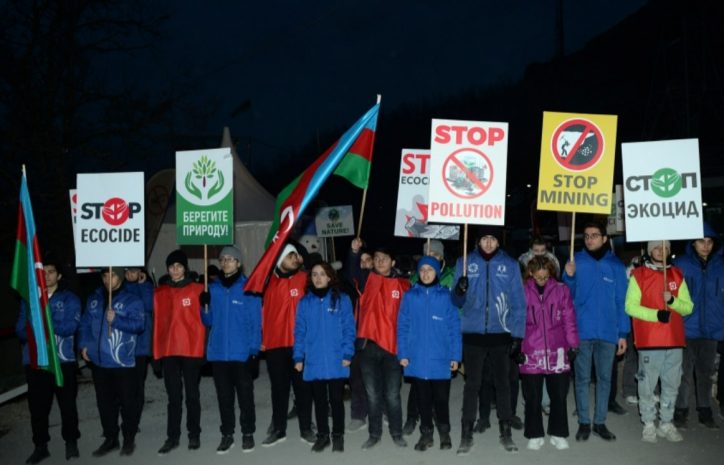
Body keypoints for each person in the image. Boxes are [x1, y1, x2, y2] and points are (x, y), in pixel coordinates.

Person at [453, 226, 526, 455]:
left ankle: (506, 432)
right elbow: (455, 302)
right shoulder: (464, 262)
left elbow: (519, 303)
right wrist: (459, 290)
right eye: (484, 239)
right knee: (472, 384)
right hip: (473, 333)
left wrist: (517, 335)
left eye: (492, 239)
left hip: (500, 333)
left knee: (502, 383)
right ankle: (466, 433)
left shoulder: (511, 265)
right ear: (477, 241)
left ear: (498, 242)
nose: (488, 243)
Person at [562, 222, 629, 442]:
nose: (590, 239)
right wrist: (569, 277)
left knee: (604, 379)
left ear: (604, 238)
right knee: (581, 379)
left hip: (609, 332)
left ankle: (599, 422)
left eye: (595, 235)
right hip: (582, 331)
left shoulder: (616, 266)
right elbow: (566, 299)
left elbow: (622, 302)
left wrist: (623, 334)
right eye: (587, 235)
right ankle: (583, 422)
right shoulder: (576, 263)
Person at [625, 240, 693, 442]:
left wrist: (672, 301)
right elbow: (630, 307)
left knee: (672, 384)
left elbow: (688, 307)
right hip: (650, 340)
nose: (661, 252)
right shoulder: (639, 275)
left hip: (674, 339)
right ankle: (648, 422)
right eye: (657, 248)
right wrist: (656, 315)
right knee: (647, 384)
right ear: (649, 250)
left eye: (665, 248)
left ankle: (666, 422)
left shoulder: (677, 275)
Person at [15, 258, 81, 464]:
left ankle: (71, 442)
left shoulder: (70, 299)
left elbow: (70, 327)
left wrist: (45, 323)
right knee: (38, 407)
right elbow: (19, 330)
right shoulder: (29, 300)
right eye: (43, 272)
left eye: (51, 271)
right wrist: (34, 329)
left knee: (67, 404)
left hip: (63, 361)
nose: (47, 275)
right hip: (36, 362)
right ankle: (40, 446)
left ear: (59, 275)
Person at [347, 237, 411, 449]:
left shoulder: (403, 285)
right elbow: (351, 274)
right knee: (373, 394)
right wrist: (355, 253)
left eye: (384, 258)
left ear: (393, 262)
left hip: (393, 348)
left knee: (392, 394)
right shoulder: (366, 280)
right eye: (376, 258)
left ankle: (396, 432)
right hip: (368, 346)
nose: (380, 261)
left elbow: (410, 318)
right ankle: (374, 434)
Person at [201, 246, 261, 454]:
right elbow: (207, 321)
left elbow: (255, 322)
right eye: (223, 259)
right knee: (224, 397)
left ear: (238, 263)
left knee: (245, 396)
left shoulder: (248, 288)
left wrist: (254, 351)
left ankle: (248, 433)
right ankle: (227, 434)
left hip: (241, 352)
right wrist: (204, 306)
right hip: (219, 353)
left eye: (230, 259)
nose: (226, 262)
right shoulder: (214, 289)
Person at [397, 256, 461, 451]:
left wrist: (455, 356)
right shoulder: (410, 296)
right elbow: (403, 326)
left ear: (437, 272)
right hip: (417, 359)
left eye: (430, 270)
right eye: (422, 270)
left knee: (441, 399)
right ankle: (426, 433)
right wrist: (403, 353)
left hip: (440, 358)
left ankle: (444, 431)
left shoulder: (445, 297)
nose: (425, 274)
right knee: (423, 400)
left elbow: (453, 328)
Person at [79, 267, 145, 456]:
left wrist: (116, 320)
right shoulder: (94, 298)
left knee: (127, 402)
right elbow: (84, 324)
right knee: (104, 403)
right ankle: (110, 438)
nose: (108, 279)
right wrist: (84, 345)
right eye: (105, 276)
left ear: (121, 276)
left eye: (113, 275)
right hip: (99, 362)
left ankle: (129, 438)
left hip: (122, 361)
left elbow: (139, 325)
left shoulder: (132, 299)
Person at [293, 262, 356, 452]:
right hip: (314, 360)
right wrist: (298, 357)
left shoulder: (341, 300)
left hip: (337, 358)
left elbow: (349, 329)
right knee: (319, 401)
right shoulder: (305, 303)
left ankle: (338, 435)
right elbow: (300, 332)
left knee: (336, 400)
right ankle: (323, 435)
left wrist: (347, 353)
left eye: (322, 274)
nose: (318, 278)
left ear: (329, 277)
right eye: (314, 274)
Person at [519, 256, 579, 451]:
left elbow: (569, 320)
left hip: (558, 349)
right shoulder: (522, 291)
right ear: (531, 274)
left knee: (559, 395)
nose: (542, 280)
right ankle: (534, 434)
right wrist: (516, 346)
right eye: (538, 277)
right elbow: (516, 319)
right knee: (533, 396)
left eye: (545, 277)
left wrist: (573, 344)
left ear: (551, 273)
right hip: (531, 349)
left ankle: (558, 433)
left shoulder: (561, 290)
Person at [261, 243, 315, 446]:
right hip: (275, 344)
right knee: (279, 389)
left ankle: (306, 428)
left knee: (303, 388)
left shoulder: (304, 280)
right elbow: (262, 312)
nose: (295, 258)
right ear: (280, 258)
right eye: (291, 255)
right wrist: (262, 339)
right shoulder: (267, 282)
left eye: (296, 255)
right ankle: (279, 429)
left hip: (299, 345)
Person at [153, 250, 207, 454]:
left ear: (186, 268)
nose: (175, 270)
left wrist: (204, 350)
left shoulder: (198, 290)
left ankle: (194, 434)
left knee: (192, 395)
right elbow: (156, 325)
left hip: (191, 350)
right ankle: (172, 437)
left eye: (179, 266)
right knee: (173, 397)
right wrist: (156, 355)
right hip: (169, 352)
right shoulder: (160, 293)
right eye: (171, 266)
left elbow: (205, 322)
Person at [673, 223, 724, 429]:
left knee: (705, 373)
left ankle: (705, 410)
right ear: (693, 243)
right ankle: (681, 410)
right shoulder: (681, 265)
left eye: (709, 242)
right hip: (686, 328)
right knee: (683, 373)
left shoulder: (721, 265)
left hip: (711, 329)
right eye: (701, 241)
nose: (706, 246)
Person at [404, 239, 455, 435]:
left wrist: (459, 292)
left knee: (440, 391)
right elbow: (406, 320)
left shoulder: (450, 276)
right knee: (419, 387)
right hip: (420, 341)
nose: (430, 258)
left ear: (441, 257)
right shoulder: (416, 281)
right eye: (427, 253)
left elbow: (458, 304)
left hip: (442, 336)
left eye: (434, 255)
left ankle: (441, 424)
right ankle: (413, 417)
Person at [123, 266, 154, 431]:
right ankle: (126, 418)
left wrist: (142, 286)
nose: (130, 274)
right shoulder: (119, 289)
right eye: (127, 271)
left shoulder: (147, 288)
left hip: (140, 346)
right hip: (121, 345)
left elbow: (149, 307)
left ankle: (134, 420)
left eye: (134, 271)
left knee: (136, 386)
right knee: (123, 386)